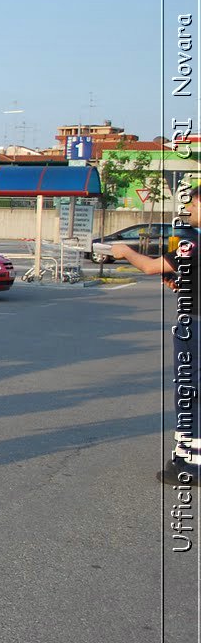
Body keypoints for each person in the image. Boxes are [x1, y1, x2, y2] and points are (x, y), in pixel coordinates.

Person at [111, 180, 201, 486]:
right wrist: (182, 284)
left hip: (195, 326)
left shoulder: (193, 243)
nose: (188, 210)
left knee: (189, 391)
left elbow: (150, 267)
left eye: (192, 204)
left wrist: (126, 252)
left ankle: (189, 466)